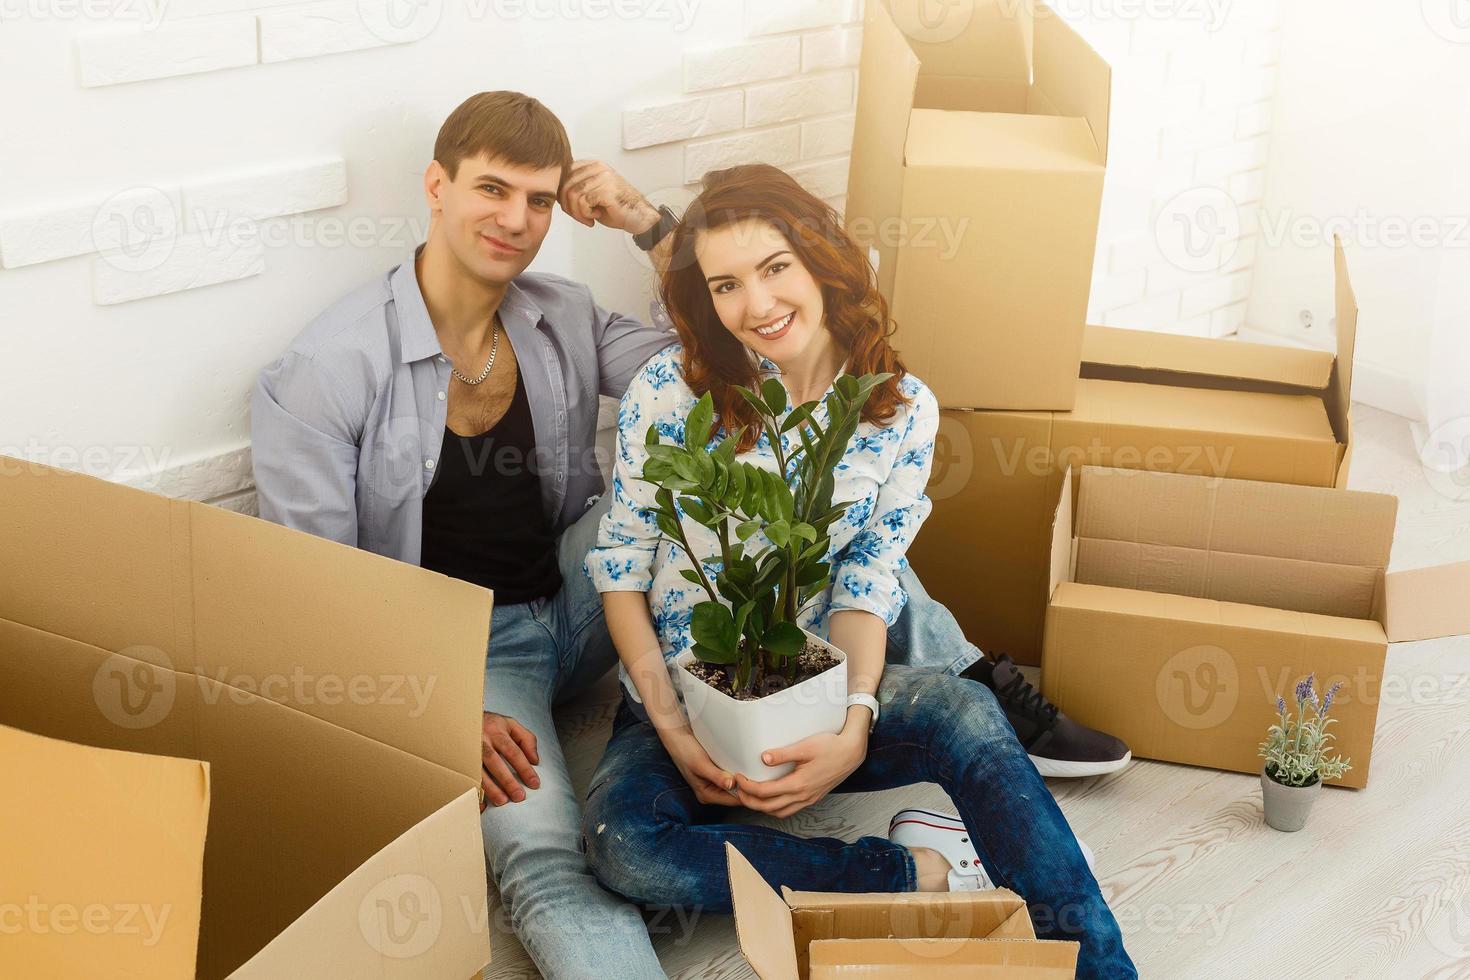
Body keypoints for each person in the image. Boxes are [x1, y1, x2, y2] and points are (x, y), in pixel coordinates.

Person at [580, 164, 1138, 979]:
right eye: (727, 284)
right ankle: (910, 873)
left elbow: (869, 582)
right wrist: (666, 718)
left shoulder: (901, 409)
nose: (757, 306)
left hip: (816, 697)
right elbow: (622, 563)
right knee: (621, 846)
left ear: (820, 260)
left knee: (968, 715)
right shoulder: (669, 391)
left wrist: (854, 725)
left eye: (776, 269)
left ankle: (1102, 970)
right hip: (685, 706)